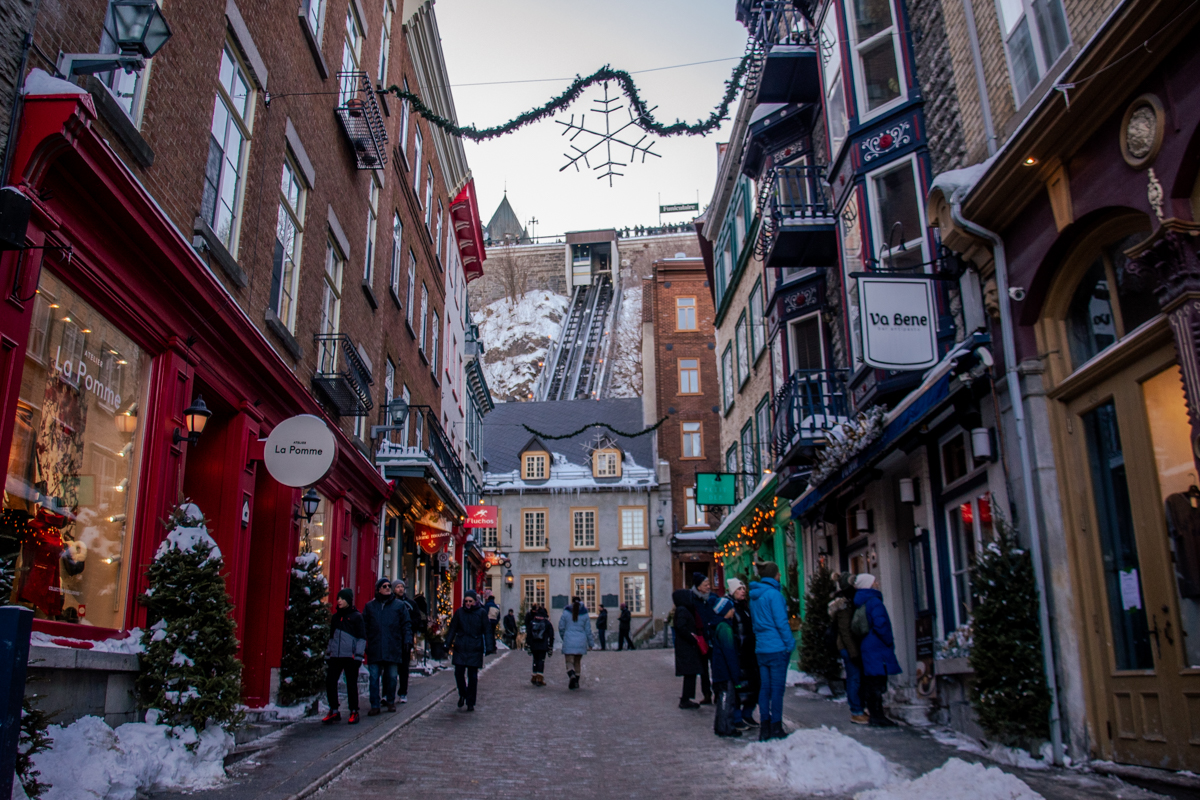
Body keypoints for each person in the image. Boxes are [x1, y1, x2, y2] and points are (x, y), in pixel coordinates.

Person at [749, 562, 795, 741]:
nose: (780, 576)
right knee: (777, 689)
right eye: (778, 573)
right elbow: (781, 622)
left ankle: (765, 726)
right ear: (774, 575)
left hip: (762, 648)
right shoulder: (774, 595)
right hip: (776, 647)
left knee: (765, 688)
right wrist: (789, 643)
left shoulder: (754, 596)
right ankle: (776, 726)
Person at [854, 574, 902, 727]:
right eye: (874, 581)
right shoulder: (874, 602)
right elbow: (881, 624)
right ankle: (877, 716)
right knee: (877, 682)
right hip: (877, 645)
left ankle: (875, 714)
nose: (877, 583)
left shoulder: (861, 601)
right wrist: (888, 640)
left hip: (867, 645)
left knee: (872, 681)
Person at [363, 577, 412, 715]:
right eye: (384, 586)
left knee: (391, 677)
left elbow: (406, 625)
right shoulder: (370, 607)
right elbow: (364, 626)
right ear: (378, 589)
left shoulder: (399, 606)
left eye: (389, 586)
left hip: (392, 646)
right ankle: (375, 704)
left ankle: (390, 701)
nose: (387, 588)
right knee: (373, 678)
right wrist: (365, 643)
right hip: (375, 647)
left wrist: (407, 640)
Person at [322, 588, 365, 724]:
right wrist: (329, 653)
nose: (339, 601)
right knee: (330, 681)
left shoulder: (356, 617)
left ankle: (354, 711)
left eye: (342, 598)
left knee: (351, 684)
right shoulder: (335, 617)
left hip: (350, 656)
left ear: (348, 600)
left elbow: (361, 638)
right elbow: (331, 637)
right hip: (335, 655)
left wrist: (358, 656)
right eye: (338, 598)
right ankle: (334, 710)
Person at [829, 573, 867, 724]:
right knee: (854, 677)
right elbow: (845, 631)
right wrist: (853, 652)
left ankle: (859, 709)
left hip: (853, 646)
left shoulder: (850, 601)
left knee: (856, 677)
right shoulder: (843, 604)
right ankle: (856, 711)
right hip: (848, 647)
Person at [446, 589, 488, 711]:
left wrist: (490, 646)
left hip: (475, 648)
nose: (468, 603)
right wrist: (447, 643)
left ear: (475, 602)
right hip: (460, 647)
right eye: (466, 601)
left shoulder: (481, 613)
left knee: (473, 676)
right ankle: (463, 693)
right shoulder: (459, 613)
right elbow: (453, 629)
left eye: (470, 601)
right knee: (458, 673)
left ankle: (470, 701)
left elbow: (487, 630)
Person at [727, 578, 759, 729]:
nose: (742, 591)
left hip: (750, 653)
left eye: (743, 589)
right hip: (739, 654)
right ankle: (737, 716)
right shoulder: (731, 609)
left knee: (752, 686)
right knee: (739, 688)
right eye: (739, 589)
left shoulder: (745, 608)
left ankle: (748, 714)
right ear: (733, 592)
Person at [709, 596, 741, 737]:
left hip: (721, 670)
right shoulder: (724, 628)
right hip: (724, 672)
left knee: (725, 699)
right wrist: (735, 675)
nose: (733, 611)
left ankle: (721, 726)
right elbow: (730, 654)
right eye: (730, 608)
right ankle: (725, 727)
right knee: (726, 700)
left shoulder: (719, 626)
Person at [672, 588, 704, 709]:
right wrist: (692, 638)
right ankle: (685, 699)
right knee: (690, 672)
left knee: (691, 673)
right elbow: (681, 627)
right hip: (687, 647)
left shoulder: (682, 609)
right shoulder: (682, 610)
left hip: (687, 646)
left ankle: (686, 698)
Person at [558, 595, 595, 689]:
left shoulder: (566, 612)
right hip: (581, 641)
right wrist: (590, 643)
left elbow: (561, 627)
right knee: (577, 662)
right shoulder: (585, 614)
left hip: (569, 640)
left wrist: (564, 637)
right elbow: (588, 630)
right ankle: (576, 682)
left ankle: (572, 675)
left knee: (569, 662)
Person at [691, 573, 715, 704]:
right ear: (698, 587)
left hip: (714, 638)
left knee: (716, 667)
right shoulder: (692, 600)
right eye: (705, 585)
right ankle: (706, 694)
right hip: (701, 639)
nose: (708, 587)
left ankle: (718, 692)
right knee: (703, 669)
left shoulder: (713, 598)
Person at [392, 579, 415, 704]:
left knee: (404, 668)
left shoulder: (410, 604)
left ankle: (402, 692)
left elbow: (416, 619)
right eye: (398, 587)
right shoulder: (389, 604)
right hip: (392, 640)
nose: (400, 589)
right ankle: (388, 694)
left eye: (402, 587)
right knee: (390, 668)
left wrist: (410, 634)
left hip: (405, 640)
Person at [525, 603, 554, 685]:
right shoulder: (547, 623)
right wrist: (550, 646)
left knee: (535, 660)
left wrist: (528, 643)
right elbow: (551, 635)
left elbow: (529, 633)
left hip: (534, 644)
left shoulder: (533, 621)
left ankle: (534, 676)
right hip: (543, 644)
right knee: (541, 660)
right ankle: (539, 678)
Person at [482, 591, 500, 655]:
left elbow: (485, 613)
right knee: (493, 634)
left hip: (488, 621)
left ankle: (489, 648)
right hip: (494, 621)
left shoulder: (487, 605)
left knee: (488, 635)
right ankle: (493, 647)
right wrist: (496, 621)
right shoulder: (496, 607)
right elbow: (498, 616)